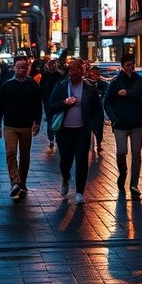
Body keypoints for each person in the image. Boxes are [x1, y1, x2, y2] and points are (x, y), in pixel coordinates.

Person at [48, 59, 102, 204]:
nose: (73, 74)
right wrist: (64, 103)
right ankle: (65, 177)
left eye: (76, 71)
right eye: (71, 71)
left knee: (81, 159)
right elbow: (51, 106)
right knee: (65, 159)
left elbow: (97, 109)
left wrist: (95, 126)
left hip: (82, 130)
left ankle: (79, 192)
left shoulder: (89, 88)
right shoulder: (61, 86)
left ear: (82, 72)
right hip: (64, 130)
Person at [104, 55, 142, 197]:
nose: (130, 68)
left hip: (137, 123)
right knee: (121, 151)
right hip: (120, 124)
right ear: (122, 66)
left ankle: (134, 185)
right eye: (127, 65)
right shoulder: (116, 83)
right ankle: (123, 172)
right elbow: (107, 102)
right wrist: (114, 119)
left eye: (132, 64)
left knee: (136, 153)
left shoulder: (139, 81)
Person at [0, 57, 43, 200]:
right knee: (11, 153)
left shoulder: (33, 85)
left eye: (24, 67)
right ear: (14, 68)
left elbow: (37, 104)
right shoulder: (7, 85)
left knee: (24, 156)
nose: (21, 70)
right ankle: (15, 182)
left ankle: (22, 182)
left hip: (26, 126)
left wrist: (37, 122)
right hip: (10, 126)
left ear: (27, 69)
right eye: (19, 67)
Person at [39, 59, 64, 151]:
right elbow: (42, 88)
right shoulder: (45, 75)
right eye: (51, 65)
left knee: (57, 119)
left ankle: (56, 138)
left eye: (54, 65)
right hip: (48, 102)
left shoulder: (59, 75)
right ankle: (51, 138)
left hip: (57, 101)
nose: (53, 66)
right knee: (50, 120)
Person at [85, 63, 108, 156]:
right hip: (88, 108)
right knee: (88, 126)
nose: (95, 74)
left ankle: (98, 142)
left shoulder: (103, 84)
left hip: (98, 108)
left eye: (97, 73)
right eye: (93, 72)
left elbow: (106, 94)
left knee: (99, 126)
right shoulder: (86, 83)